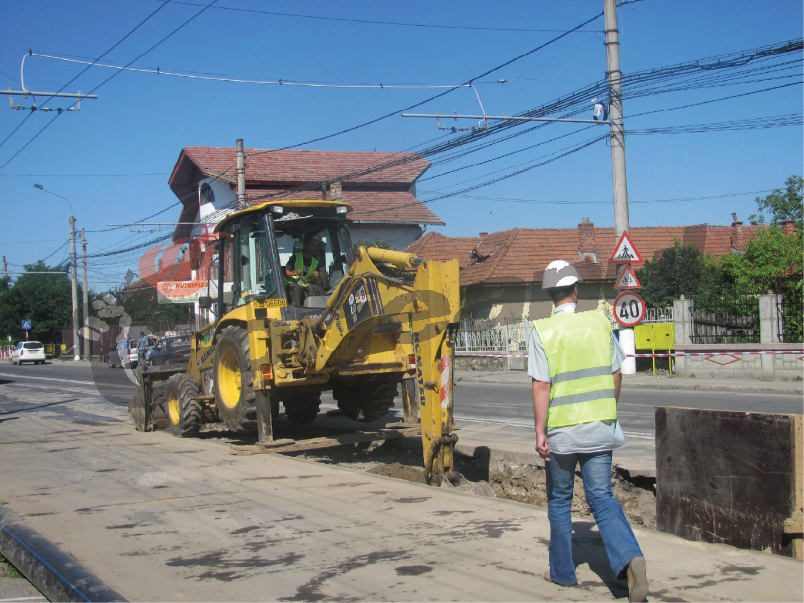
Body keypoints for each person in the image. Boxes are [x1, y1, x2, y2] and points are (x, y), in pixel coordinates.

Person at [529, 260, 648, 602]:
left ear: (549, 295)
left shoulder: (542, 331)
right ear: (576, 289)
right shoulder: (600, 322)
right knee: (601, 497)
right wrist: (606, 409)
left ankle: (563, 573)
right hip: (599, 426)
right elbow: (616, 373)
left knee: (560, 500)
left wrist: (540, 431)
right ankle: (630, 558)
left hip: (562, 432)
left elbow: (542, 385)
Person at [284, 235, 321, 306]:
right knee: (296, 288)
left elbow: (312, 281)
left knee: (317, 289)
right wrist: (294, 273)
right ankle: (297, 309)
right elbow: (286, 272)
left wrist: (314, 277)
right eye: (312, 245)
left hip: (304, 285)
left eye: (315, 246)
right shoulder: (296, 257)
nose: (314, 248)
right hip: (291, 283)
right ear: (306, 245)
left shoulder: (315, 262)